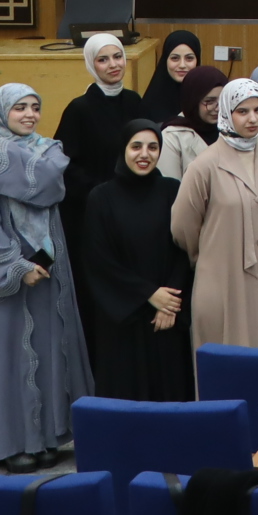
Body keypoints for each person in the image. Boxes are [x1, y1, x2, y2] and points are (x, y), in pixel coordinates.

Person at [0, 84, 91, 469]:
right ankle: (14, 443)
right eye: (19, 108)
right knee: (11, 354)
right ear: (1, 112)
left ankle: (48, 436)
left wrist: (7, 149)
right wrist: (15, 266)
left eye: (35, 107)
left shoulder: (46, 149)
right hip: (9, 267)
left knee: (51, 347)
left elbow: (50, 185)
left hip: (50, 265)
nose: (30, 115)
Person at [170, 77, 258, 350]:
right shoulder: (204, 165)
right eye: (242, 111)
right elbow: (182, 226)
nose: (253, 119)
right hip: (222, 277)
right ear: (227, 112)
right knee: (227, 353)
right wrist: (211, 255)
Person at [80, 115, 194, 402]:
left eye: (153, 147)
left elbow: (184, 249)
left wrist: (170, 303)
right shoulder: (101, 197)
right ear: (123, 149)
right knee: (125, 396)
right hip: (123, 320)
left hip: (166, 316)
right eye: (136, 147)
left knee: (169, 395)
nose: (145, 155)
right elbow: (100, 261)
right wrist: (149, 294)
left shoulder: (172, 190)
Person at [53, 31, 136, 339]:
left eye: (117, 57)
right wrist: (101, 192)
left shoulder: (134, 101)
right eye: (103, 59)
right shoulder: (80, 109)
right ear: (91, 64)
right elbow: (64, 165)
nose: (113, 65)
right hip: (92, 213)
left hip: (131, 208)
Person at [159, 67, 230, 181]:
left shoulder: (232, 130)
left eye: (223, 101)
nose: (218, 108)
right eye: (209, 101)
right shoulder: (172, 137)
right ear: (193, 101)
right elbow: (171, 186)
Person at [143, 29, 203, 122]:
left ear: (197, 61)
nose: (182, 65)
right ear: (165, 60)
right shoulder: (149, 104)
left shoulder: (206, 99)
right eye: (175, 58)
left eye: (189, 58)